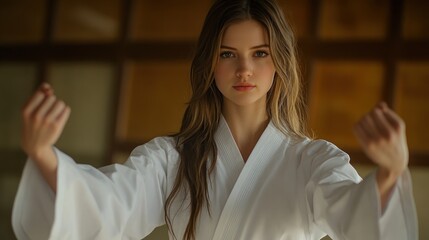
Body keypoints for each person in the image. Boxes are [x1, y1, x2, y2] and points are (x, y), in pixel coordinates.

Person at [13, 0, 417, 239]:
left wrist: (390, 171)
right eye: (228, 54)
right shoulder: (171, 159)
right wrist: (44, 154)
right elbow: (107, 204)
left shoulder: (311, 162)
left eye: (259, 53)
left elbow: (356, 215)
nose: (244, 69)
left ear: (279, 63)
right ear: (210, 62)